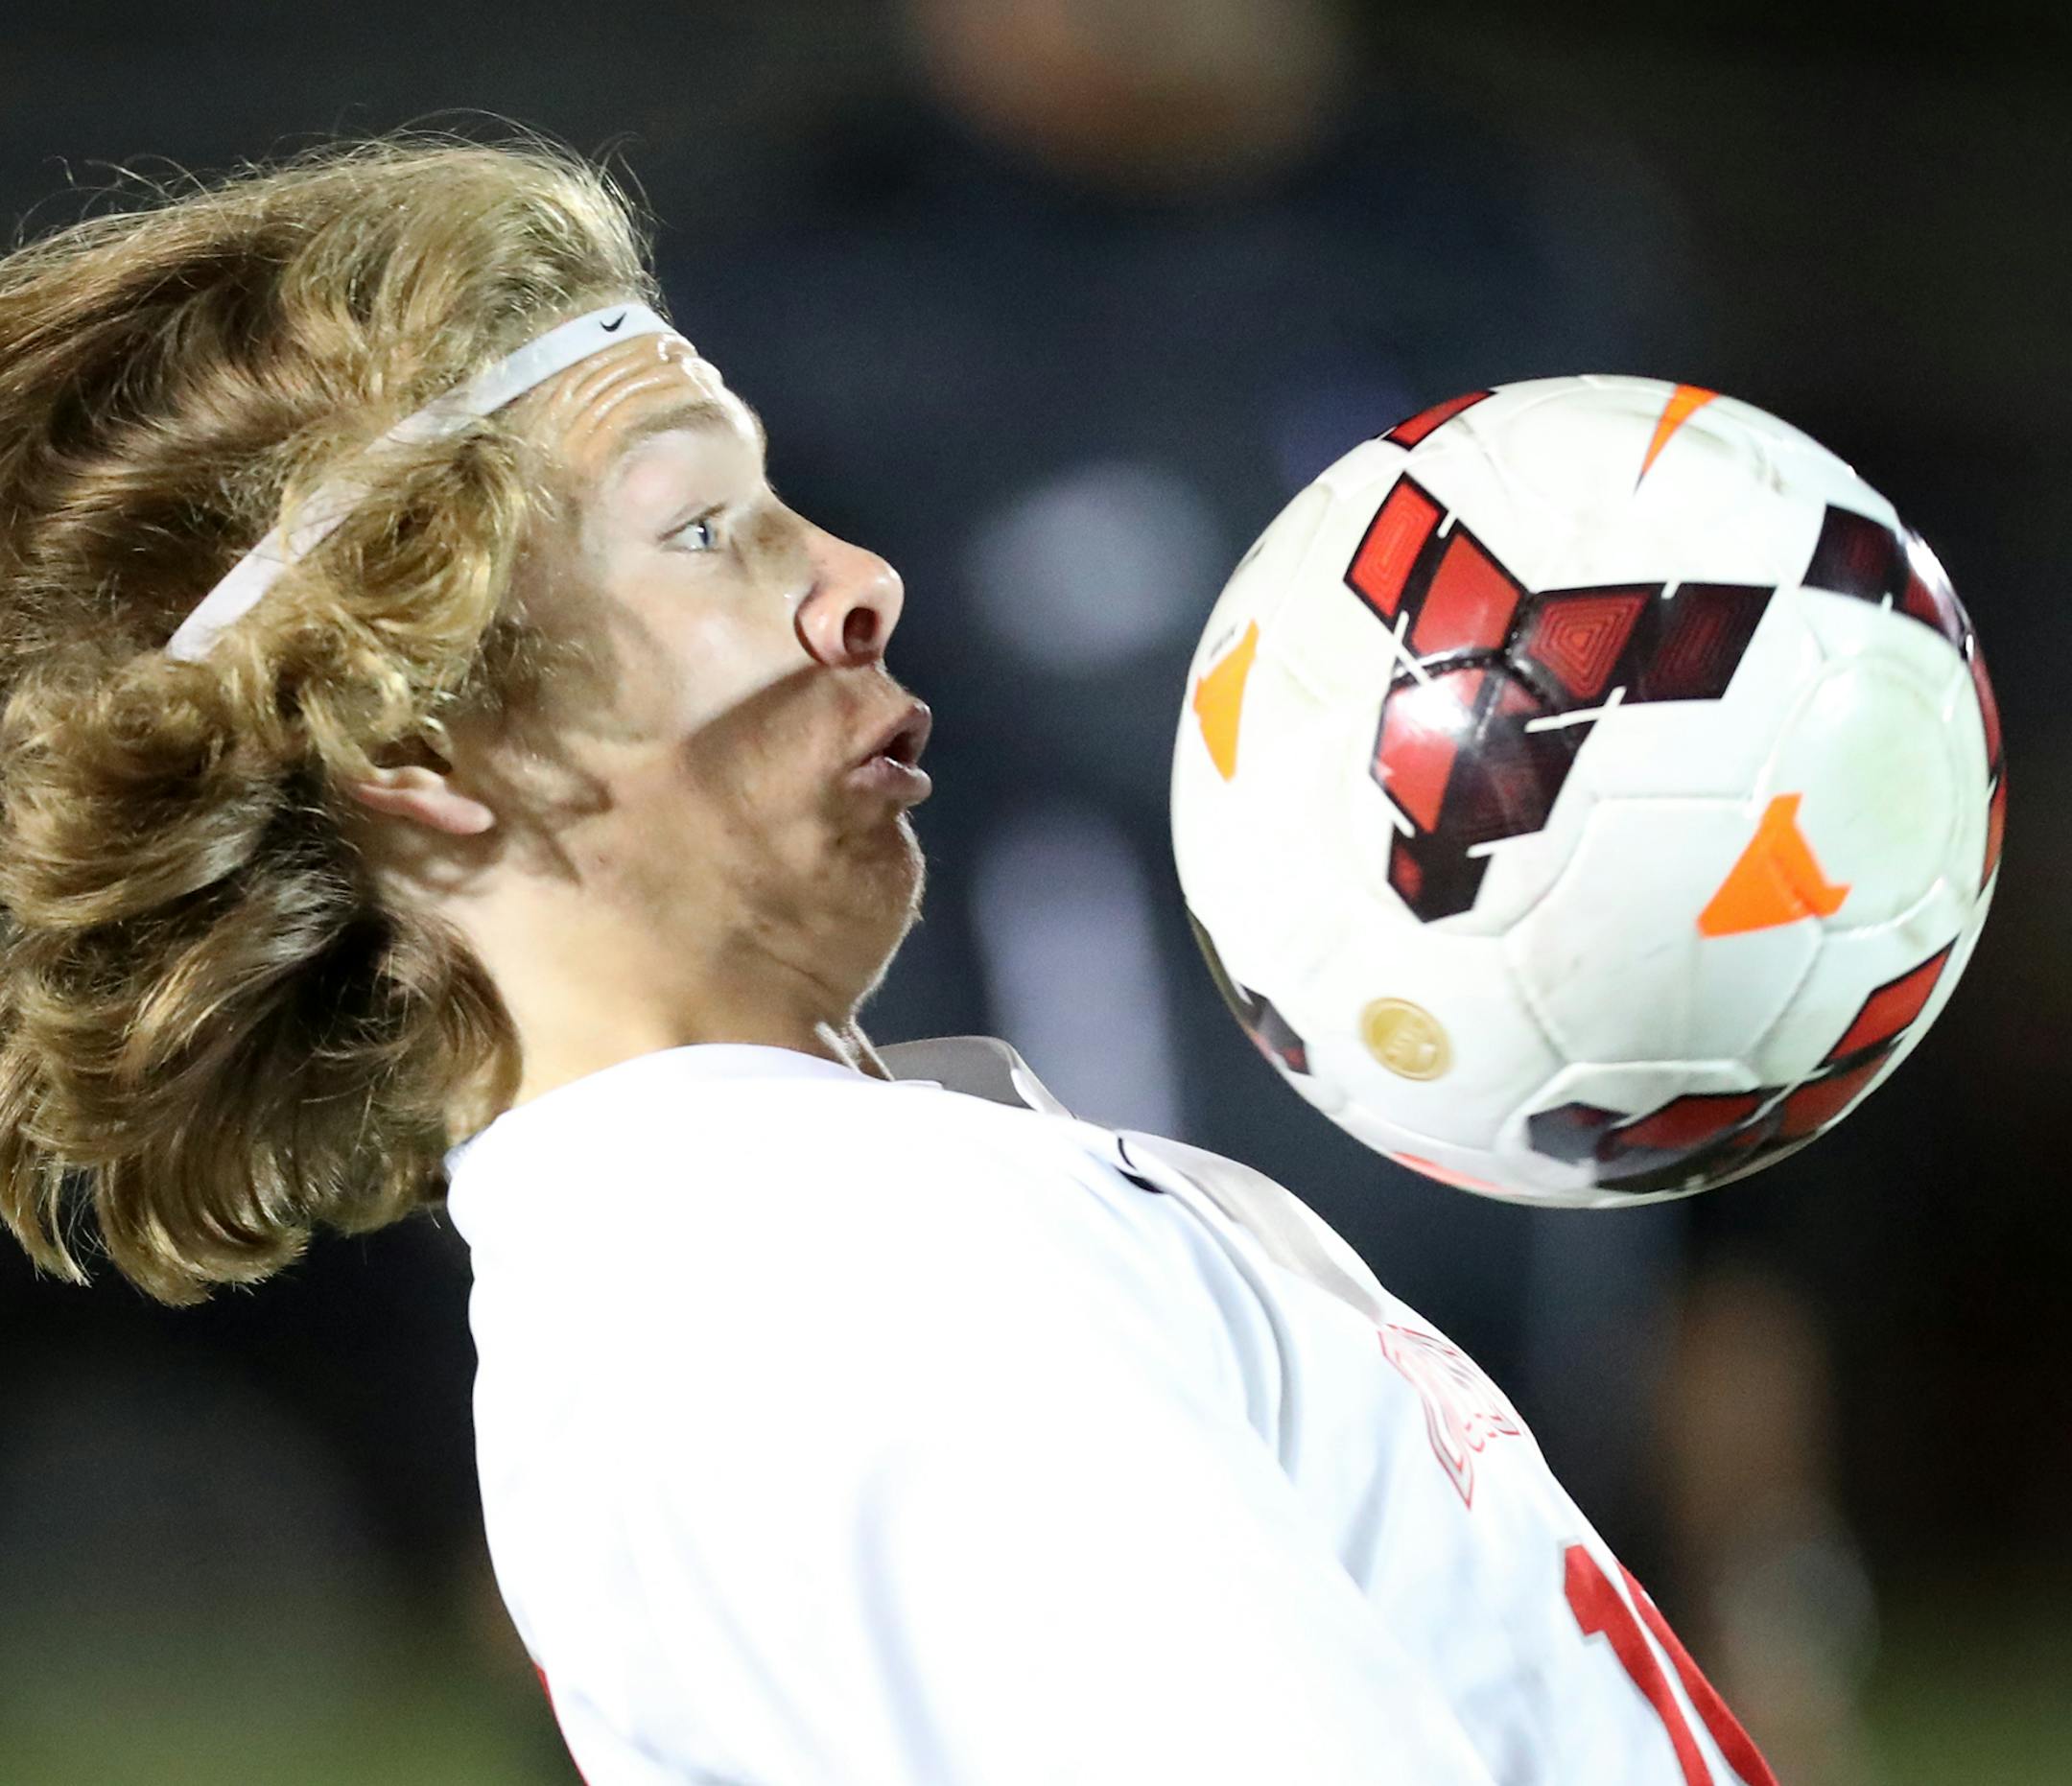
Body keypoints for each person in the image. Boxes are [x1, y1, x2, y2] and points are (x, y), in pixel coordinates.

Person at [0, 138, 1776, 1784]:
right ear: (425, 750)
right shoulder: (840, 1265)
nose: (858, 579)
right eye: (703, 528)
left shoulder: (755, 1245)